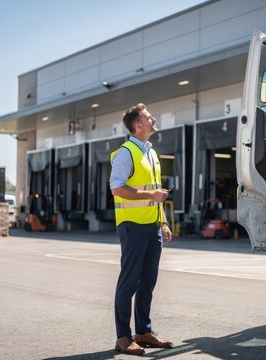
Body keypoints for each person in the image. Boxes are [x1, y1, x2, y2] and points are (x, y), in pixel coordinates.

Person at [109, 103, 173, 355]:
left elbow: (155, 192)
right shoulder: (126, 153)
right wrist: (151, 194)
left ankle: (144, 331)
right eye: (148, 117)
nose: (153, 119)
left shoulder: (151, 153)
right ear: (138, 125)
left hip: (153, 226)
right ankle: (123, 337)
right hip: (132, 226)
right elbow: (117, 188)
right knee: (129, 282)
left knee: (148, 281)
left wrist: (164, 222)